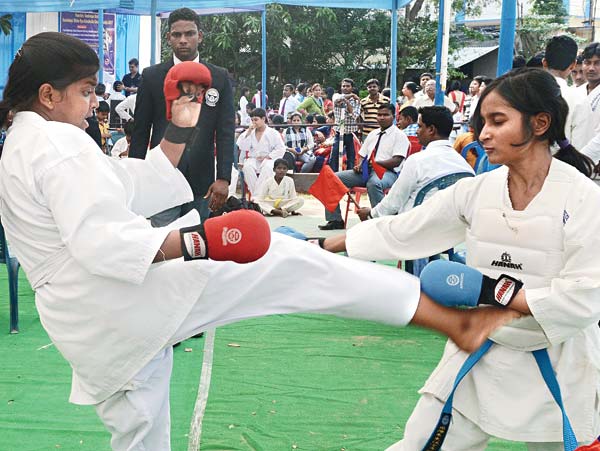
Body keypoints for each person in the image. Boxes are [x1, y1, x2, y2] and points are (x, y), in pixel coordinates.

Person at [0, 32, 521, 451]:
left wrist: (179, 128)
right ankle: (454, 320)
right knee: (287, 261)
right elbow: (100, 243)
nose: (94, 103)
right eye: (87, 91)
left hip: (89, 318)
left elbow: (134, 184)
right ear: (49, 95)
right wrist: (201, 242)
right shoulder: (56, 143)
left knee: (138, 428)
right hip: (120, 293)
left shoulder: (27, 144)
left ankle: (452, 319)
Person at [323, 68, 600, 449]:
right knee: (418, 442)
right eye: (481, 122)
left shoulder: (584, 198)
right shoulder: (476, 191)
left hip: (559, 360)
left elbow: (584, 298)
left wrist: (494, 291)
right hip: (481, 348)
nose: (483, 133)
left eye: (497, 121)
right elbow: (406, 229)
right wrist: (324, 246)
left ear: (540, 123)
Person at [129, 7, 233, 225]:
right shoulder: (152, 76)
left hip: (201, 178)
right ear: (168, 38)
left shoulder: (219, 77)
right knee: (161, 243)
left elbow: (225, 132)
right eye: (177, 35)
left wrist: (223, 177)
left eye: (190, 34)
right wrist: (136, 177)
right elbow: (140, 131)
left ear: (200, 36)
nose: (183, 40)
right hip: (161, 176)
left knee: (195, 245)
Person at [356, 106, 474, 221]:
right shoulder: (466, 167)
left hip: (415, 229)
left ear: (431, 130)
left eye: (419, 126)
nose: (417, 131)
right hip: (453, 231)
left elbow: (394, 201)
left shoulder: (417, 161)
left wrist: (371, 214)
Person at [319, 103, 408, 230]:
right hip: (367, 171)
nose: (382, 117)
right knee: (331, 178)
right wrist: (360, 165)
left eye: (386, 115)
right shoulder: (373, 134)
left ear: (394, 116)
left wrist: (377, 163)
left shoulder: (400, 136)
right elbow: (362, 154)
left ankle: (381, 221)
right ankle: (335, 220)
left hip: (388, 173)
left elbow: (397, 161)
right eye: (379, 115)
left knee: (374, 183)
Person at [236, 107, 286, 195]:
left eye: (256, 120)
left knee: (268, 168)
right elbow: (243, 147)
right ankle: (258, 195)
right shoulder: (249, 132)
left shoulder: (273, 133)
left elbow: (281, 148)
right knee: (247, 167)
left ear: (263, 119)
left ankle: (256, 196)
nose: (254, 122)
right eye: (252, 120)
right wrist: (248, 132)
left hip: (268, 159)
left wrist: (268, 156)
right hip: (253, 159)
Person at [331, 78, 361, 172]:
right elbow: (337, 101)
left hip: (351, 132)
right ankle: (333, 175)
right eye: (343, 86)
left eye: (348, 86)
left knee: (351, 157)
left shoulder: (356, 101)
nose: (345, 88)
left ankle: (349, 177)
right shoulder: (336, 95)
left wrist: (347, 103)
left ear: (352, 87)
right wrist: (350, 96)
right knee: (334, 154)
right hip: (339, 131)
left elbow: (355, 115)